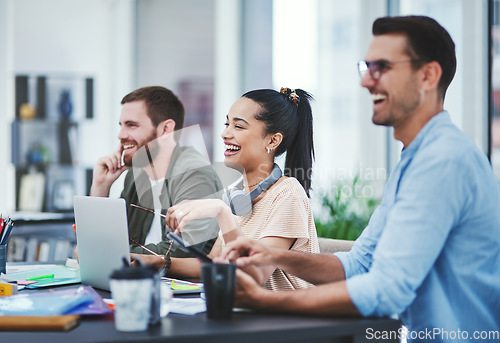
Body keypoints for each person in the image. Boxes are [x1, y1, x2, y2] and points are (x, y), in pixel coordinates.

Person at [217, 15, 500, 341]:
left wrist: (267, 301)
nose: (367, 82)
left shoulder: (444, 161)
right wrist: (275, 256)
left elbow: (387, 289)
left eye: (382, 67)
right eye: (366, 68)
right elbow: (360, 265)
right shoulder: (416, 158)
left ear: (427, 75)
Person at [137, 87, 320, 290]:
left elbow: (252, 274)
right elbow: (213, 263)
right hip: (244, 312)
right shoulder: (238, 194)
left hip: (284, 318)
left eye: (239, 126)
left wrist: (222, 212)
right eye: (227, 124)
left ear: (272, 140)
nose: (225, 133)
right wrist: (156, 262)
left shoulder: (288, 194)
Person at [88, 86, 221, 259]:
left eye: (132, 125)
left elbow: (181, 251)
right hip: (140, 279)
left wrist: (104, 253)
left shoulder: (194, 174)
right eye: (121, 125)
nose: (121, 135)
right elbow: (110, 239)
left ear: (165, 129)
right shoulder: (137, 175)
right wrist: (100, 187)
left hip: (183, 285)